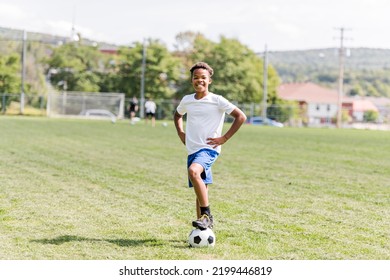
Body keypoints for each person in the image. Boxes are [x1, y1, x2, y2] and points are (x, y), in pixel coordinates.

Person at [174, 62, 247, 230]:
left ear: (209, 80)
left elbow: (240, 117)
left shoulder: (217, 100)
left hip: (208, 149)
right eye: (196, 77)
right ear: (191, 80)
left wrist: (225, 138)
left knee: (193, 171)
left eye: (203, 78)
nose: (199, 80)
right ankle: (202, 227)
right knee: (201, 191)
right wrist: (180, 132)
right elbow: (177, 115)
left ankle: (207, 215)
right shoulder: (187, 100)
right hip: (192, 149)